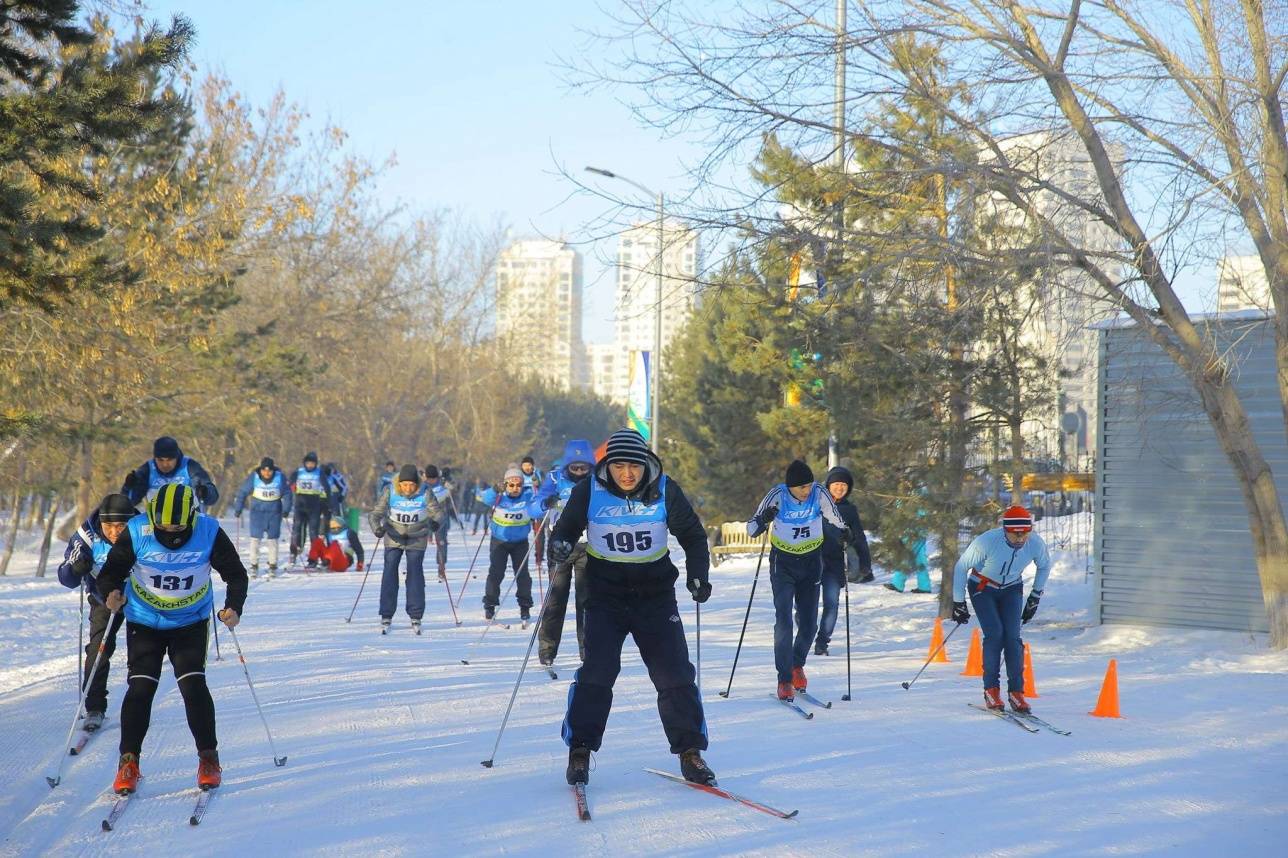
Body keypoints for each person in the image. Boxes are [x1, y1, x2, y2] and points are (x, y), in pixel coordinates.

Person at [551, 428, 714, 787]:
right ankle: (580, 750)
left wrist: (698, 576)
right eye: (619, 465)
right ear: (608, 465)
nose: (627, 474)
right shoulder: (588, 490)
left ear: (646, 465)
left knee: (674, 673)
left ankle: (690, 752)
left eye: (634, 466)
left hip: (654, 595)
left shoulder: (665, 489)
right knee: (598, 670)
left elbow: (693, 536)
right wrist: (560, 547)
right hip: (604, 595)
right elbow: (563, 531)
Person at [95, 483, 248, 794]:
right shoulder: (138, 530)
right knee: (141, 687)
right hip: (145, 621)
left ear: (191, 518)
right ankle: (129, 762)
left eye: (177, 526)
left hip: (190, 621)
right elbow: (111, 572)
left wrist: (233, 606)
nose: (169, 532)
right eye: (163, 525)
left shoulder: (208, 531)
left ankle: (208, 759)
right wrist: (110, 593)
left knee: (193, 685)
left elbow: (235, 573)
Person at [746, 459, 848, 701]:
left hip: (812, 562)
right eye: (802, 487)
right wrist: (764, 520)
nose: (807, 490)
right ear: (790, 486)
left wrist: (844, 530)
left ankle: (796, 665)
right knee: (783, 620)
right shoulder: (777, 495)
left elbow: (834, 516)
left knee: (810, 622)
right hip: (784, 563)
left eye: (809, 485)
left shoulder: (819, 493)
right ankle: (784, 679)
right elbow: (751, 528)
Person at [951, 506, 1051, 714]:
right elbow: (961, 567)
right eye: (1015, 534)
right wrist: (958, 602)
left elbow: (1044, 566)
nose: (1020, 538)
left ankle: (1016, 692)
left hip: (1012, 588)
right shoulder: (987, 541)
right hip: (982, 587)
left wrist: (1035, 596)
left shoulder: (1035, 543)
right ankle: (991, 689)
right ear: (1005, 530)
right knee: (995, 634)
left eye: (1025, 533)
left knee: (1013, 638)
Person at [56, 493, 137, 731]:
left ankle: (136, 706)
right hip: (103, 599)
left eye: (121, 525)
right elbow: (65, 576)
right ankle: (94, 707)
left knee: (140, 652)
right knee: (98, 649)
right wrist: (75, 569)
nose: (114, 532)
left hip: (138, 599)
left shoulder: (144, 531)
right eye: (109, 526)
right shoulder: (87, 536)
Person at [534, 439, 596, 666]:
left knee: (587, 601)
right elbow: (533, 505)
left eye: (584, 468)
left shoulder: (599, 481)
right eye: (574, 468)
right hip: (560, 545)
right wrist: (545, 502)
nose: (579, 472)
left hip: (590, 546)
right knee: (555, 599)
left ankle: (587, 651)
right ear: (567, 466)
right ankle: (547, 650)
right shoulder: (554, 479)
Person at [369, 464, 445, 634]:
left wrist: (436, 522)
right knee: (389, 571)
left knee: (415, 572)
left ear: (417, 483)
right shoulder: (390, 491)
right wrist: (377, 528)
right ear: (399, 484)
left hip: (417, 536)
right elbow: (375, 514)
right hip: (393, 535)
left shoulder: (425, 491)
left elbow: (439, 513)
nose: (408, 488)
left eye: (411, 484)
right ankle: (386, 613)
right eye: (404, 485)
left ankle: (415, 614)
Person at [815, 466, 874, 656]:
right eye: (836, 484)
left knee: (831, 604)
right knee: (804, 606)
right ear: (828, 485)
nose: (840, 488)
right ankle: (806, 630)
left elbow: (859, 538)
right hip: (810, 563)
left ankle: (822, 642)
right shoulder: (815, 506)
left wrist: (865, 563)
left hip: (834, 564)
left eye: (844, 485)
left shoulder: (849, 510)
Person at [483, 466, 539, 622]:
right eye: (511, 485)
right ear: (506, 485)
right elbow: (485, 498)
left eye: (518, 485)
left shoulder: (528, 495)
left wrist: (538, 486)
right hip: (499, 541)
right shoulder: (499, 496)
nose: (515, 488)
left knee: (522, 575)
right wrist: (495, 489)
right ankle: (490, 605)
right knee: (496, 573)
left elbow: (540, 503)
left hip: (520, 542)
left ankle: (525, 607)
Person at [231, 457, 293, 578]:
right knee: (255, 540)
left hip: (274, 513)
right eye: (264, 470)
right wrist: (238, 508)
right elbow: (243, 492)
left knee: (273, 540)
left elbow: (287, 493)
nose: (266, 473)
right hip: (257, 513)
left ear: (273, 470)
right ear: (260, 470)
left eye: (269, 470)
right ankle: (254, 565)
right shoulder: (254, 477)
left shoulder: (279, 477)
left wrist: (286, 509)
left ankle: (272, 565)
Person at [121, 435, 219, 509]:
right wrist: (128, 487)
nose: (165, 464)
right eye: (160, 460)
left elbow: (212, 496)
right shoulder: (147, 470)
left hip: (189, 523)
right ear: (155, 458)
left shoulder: (190, 467)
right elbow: (128, 503)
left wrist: (205, 492)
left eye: (169, 460)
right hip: (157, 525)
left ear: (177, 457)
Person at [887, 488, 932, 593]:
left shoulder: (916, 491)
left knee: (905, 555)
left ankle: (898, 583)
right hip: (918, 530)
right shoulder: (916, 490)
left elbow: (921, 512)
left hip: (912, 530)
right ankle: (924, 586)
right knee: (919, 558)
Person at [289, 452, 327, 568]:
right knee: (297, 528)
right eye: (308, 463)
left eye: (312, 463)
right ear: (304, 463)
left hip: (314, 506)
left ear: (315, 464)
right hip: (300, 505)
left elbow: (326, 488)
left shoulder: (319, 473)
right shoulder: (298, 472)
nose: (310, 465)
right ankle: (294, 552)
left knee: (313, 532)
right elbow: (290, 483)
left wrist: (326, 504)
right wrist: (292, 486)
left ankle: (313, 558)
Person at [424, 465, 452, 583]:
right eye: (429, 478)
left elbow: (450, 490)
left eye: (433, 478)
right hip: (425, 517)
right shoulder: (422, 486)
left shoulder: (442, 485)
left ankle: (441, 566)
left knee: (441, 542)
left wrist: (448, 483)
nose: (431, 480)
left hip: (440, 517)